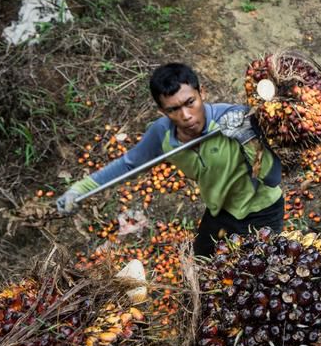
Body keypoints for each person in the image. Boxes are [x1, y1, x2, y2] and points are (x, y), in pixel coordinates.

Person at [56, 62, 284, 257]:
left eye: (190, 103)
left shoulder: (234, 118)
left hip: (262, 210)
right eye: (174, 109)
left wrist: (247, 137)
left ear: (201, 92)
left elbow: (272, 177)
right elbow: (128, 165)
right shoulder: (162, 134)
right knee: (202, 265)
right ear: (162, 111)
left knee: (251, 279)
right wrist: (78, 189)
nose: (185, 116)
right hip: (220, 211)